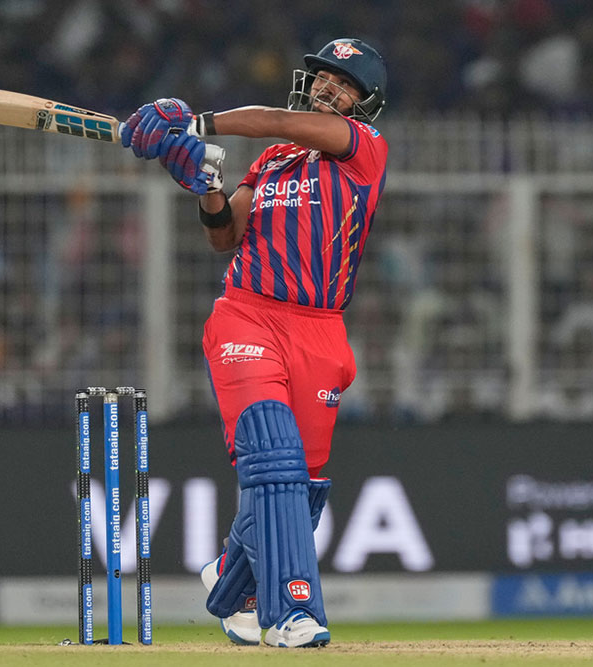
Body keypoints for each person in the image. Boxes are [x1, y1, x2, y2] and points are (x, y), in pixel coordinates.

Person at [120, 37, 388, 648]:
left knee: (307, 488)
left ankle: (230, 581)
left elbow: (274, 119)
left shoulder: (364, 150)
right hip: (248, 317)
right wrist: (206, 184)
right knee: (273, 457)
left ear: (365, 102)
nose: (331, 89)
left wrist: (193, 122)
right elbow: (224, 235)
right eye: (324, 77)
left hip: (322, 332)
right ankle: (293, 611)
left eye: (346, 85)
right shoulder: (270, 163)